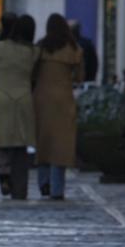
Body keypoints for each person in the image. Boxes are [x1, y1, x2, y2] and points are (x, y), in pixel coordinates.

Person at [0, 14, 39, 199]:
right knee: (21, 144)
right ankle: (20, 188)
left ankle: (4, 173)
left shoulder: (1, 47)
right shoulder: (34, 52)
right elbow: (37, 74)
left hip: (2, 96)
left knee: (2, 139)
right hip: (24, 98)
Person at [33, 13, 84, 200]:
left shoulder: (40, 48)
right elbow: (79, 77)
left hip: (41, 98)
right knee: (61, 144)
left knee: (43, 141)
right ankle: (57, 188)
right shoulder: (74, 49)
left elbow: (32, 72)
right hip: (64, 98)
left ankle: (43, 181)